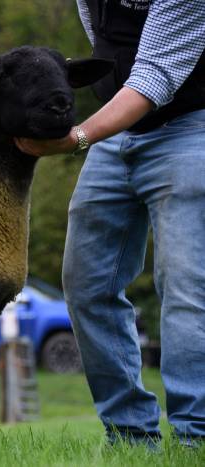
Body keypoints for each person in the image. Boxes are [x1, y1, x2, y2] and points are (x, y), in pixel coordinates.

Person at [14, 0, 205, 446]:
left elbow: (153, 75)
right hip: (119, 134)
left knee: (185, 287)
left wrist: (78, 136)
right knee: (86, 283)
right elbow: (105, 39)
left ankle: (195, 437)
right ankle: (130, 434)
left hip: (188, 129)